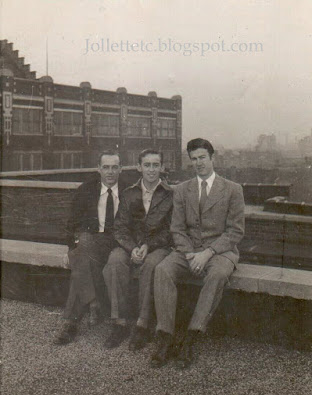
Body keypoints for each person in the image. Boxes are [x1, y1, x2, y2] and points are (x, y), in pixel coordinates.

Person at [151, 138, 245, 369]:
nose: (198, 163)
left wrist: (208, 253)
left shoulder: (233, 189)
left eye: (202, 157)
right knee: (162, 269)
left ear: (213, 158)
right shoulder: (182, 190)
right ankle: (165, 335)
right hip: (188, 251)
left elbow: (235, 231)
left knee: (217, 275)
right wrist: (192, 254)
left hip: (220, 251)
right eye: (193, 159)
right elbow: (177, 228)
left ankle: (191, 336)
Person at [103, 149, 173, 350]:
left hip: (158, 247)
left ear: (161, 167)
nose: (151, 169)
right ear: (139, 167)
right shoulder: (129, 193)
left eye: (156, 165)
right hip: (130, 246)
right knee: (115, 261)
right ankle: (120, 323)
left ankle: (143, 325)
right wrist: (132, 248)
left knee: (151, 264)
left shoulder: (170, 195)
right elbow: (120, 227)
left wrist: (148, 246)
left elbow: (171, 230)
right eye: (147, 165)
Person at [54, 150, 125, 345]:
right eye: (105, 167)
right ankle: (86, 309)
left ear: (121, 169)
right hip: (95, 241)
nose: (110, 172)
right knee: (83, 249)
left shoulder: (129, 190)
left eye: (114, 167)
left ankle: (74, 320)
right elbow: (72, 224)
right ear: (98, 169)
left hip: (120, 243)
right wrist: (71, 248)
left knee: (82, 254)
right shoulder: (86, 190)